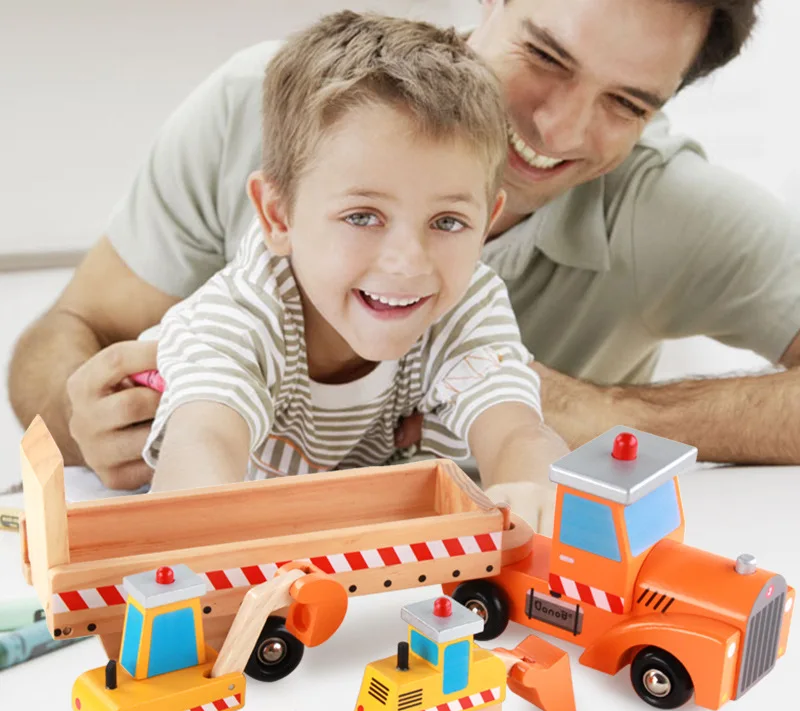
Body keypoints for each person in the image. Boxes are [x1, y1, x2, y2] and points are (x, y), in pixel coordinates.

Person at [8, 0, 800, 492]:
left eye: (626, 103)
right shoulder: (262, 119)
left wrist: (603, 417)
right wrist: (81, 422)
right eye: (546, 55)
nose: (559, 129)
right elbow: (85, 342)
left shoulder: (651, 215)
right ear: (276, 212)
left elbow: (516, 437)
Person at [134, 11, 565, 533]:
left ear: (486, 224)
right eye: (362, 217)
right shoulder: (240, 315)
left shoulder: (466, 304)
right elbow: (203, 447)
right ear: (278, 215)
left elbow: (519, 433)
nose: (408, 261)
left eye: (448, 222)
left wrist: (531, 491)